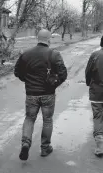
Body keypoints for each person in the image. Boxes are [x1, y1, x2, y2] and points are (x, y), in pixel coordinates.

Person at [14, 29, 67, 161]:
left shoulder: (26, 54)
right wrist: (54, 84)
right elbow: (63, 74)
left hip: (31, 93)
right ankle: (45, 148)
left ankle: (26, 143)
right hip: (48, 94)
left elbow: (17, 72)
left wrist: (27, 81)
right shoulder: (54, 54)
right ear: (49, 39)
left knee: (30, 118)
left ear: (38, 38)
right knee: (47, 120)